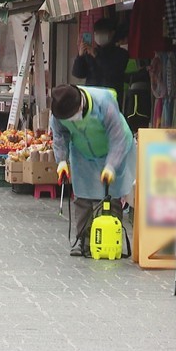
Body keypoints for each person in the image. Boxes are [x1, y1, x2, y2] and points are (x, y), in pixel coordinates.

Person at [50, 84, 137, 257]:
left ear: (80, 105)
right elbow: (59, 135)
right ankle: (83, 240)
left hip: (114, 149)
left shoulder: (103, 102)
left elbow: (117, 138)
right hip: (82, 152)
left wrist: (111, 165)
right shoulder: (59, 110)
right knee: (83, 196)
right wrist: (61, 162)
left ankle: (110, 240)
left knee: (109, 196)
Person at [72, 18, 130, 95]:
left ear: (112, 33)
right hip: (92, 96)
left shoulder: (121, 54)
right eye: (96, 33)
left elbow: (112, 73)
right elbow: (78, 74)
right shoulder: (91, 53)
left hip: (111, 97)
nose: (99, 36)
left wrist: (96, 56)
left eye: (102, 33)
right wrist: (80, 56)